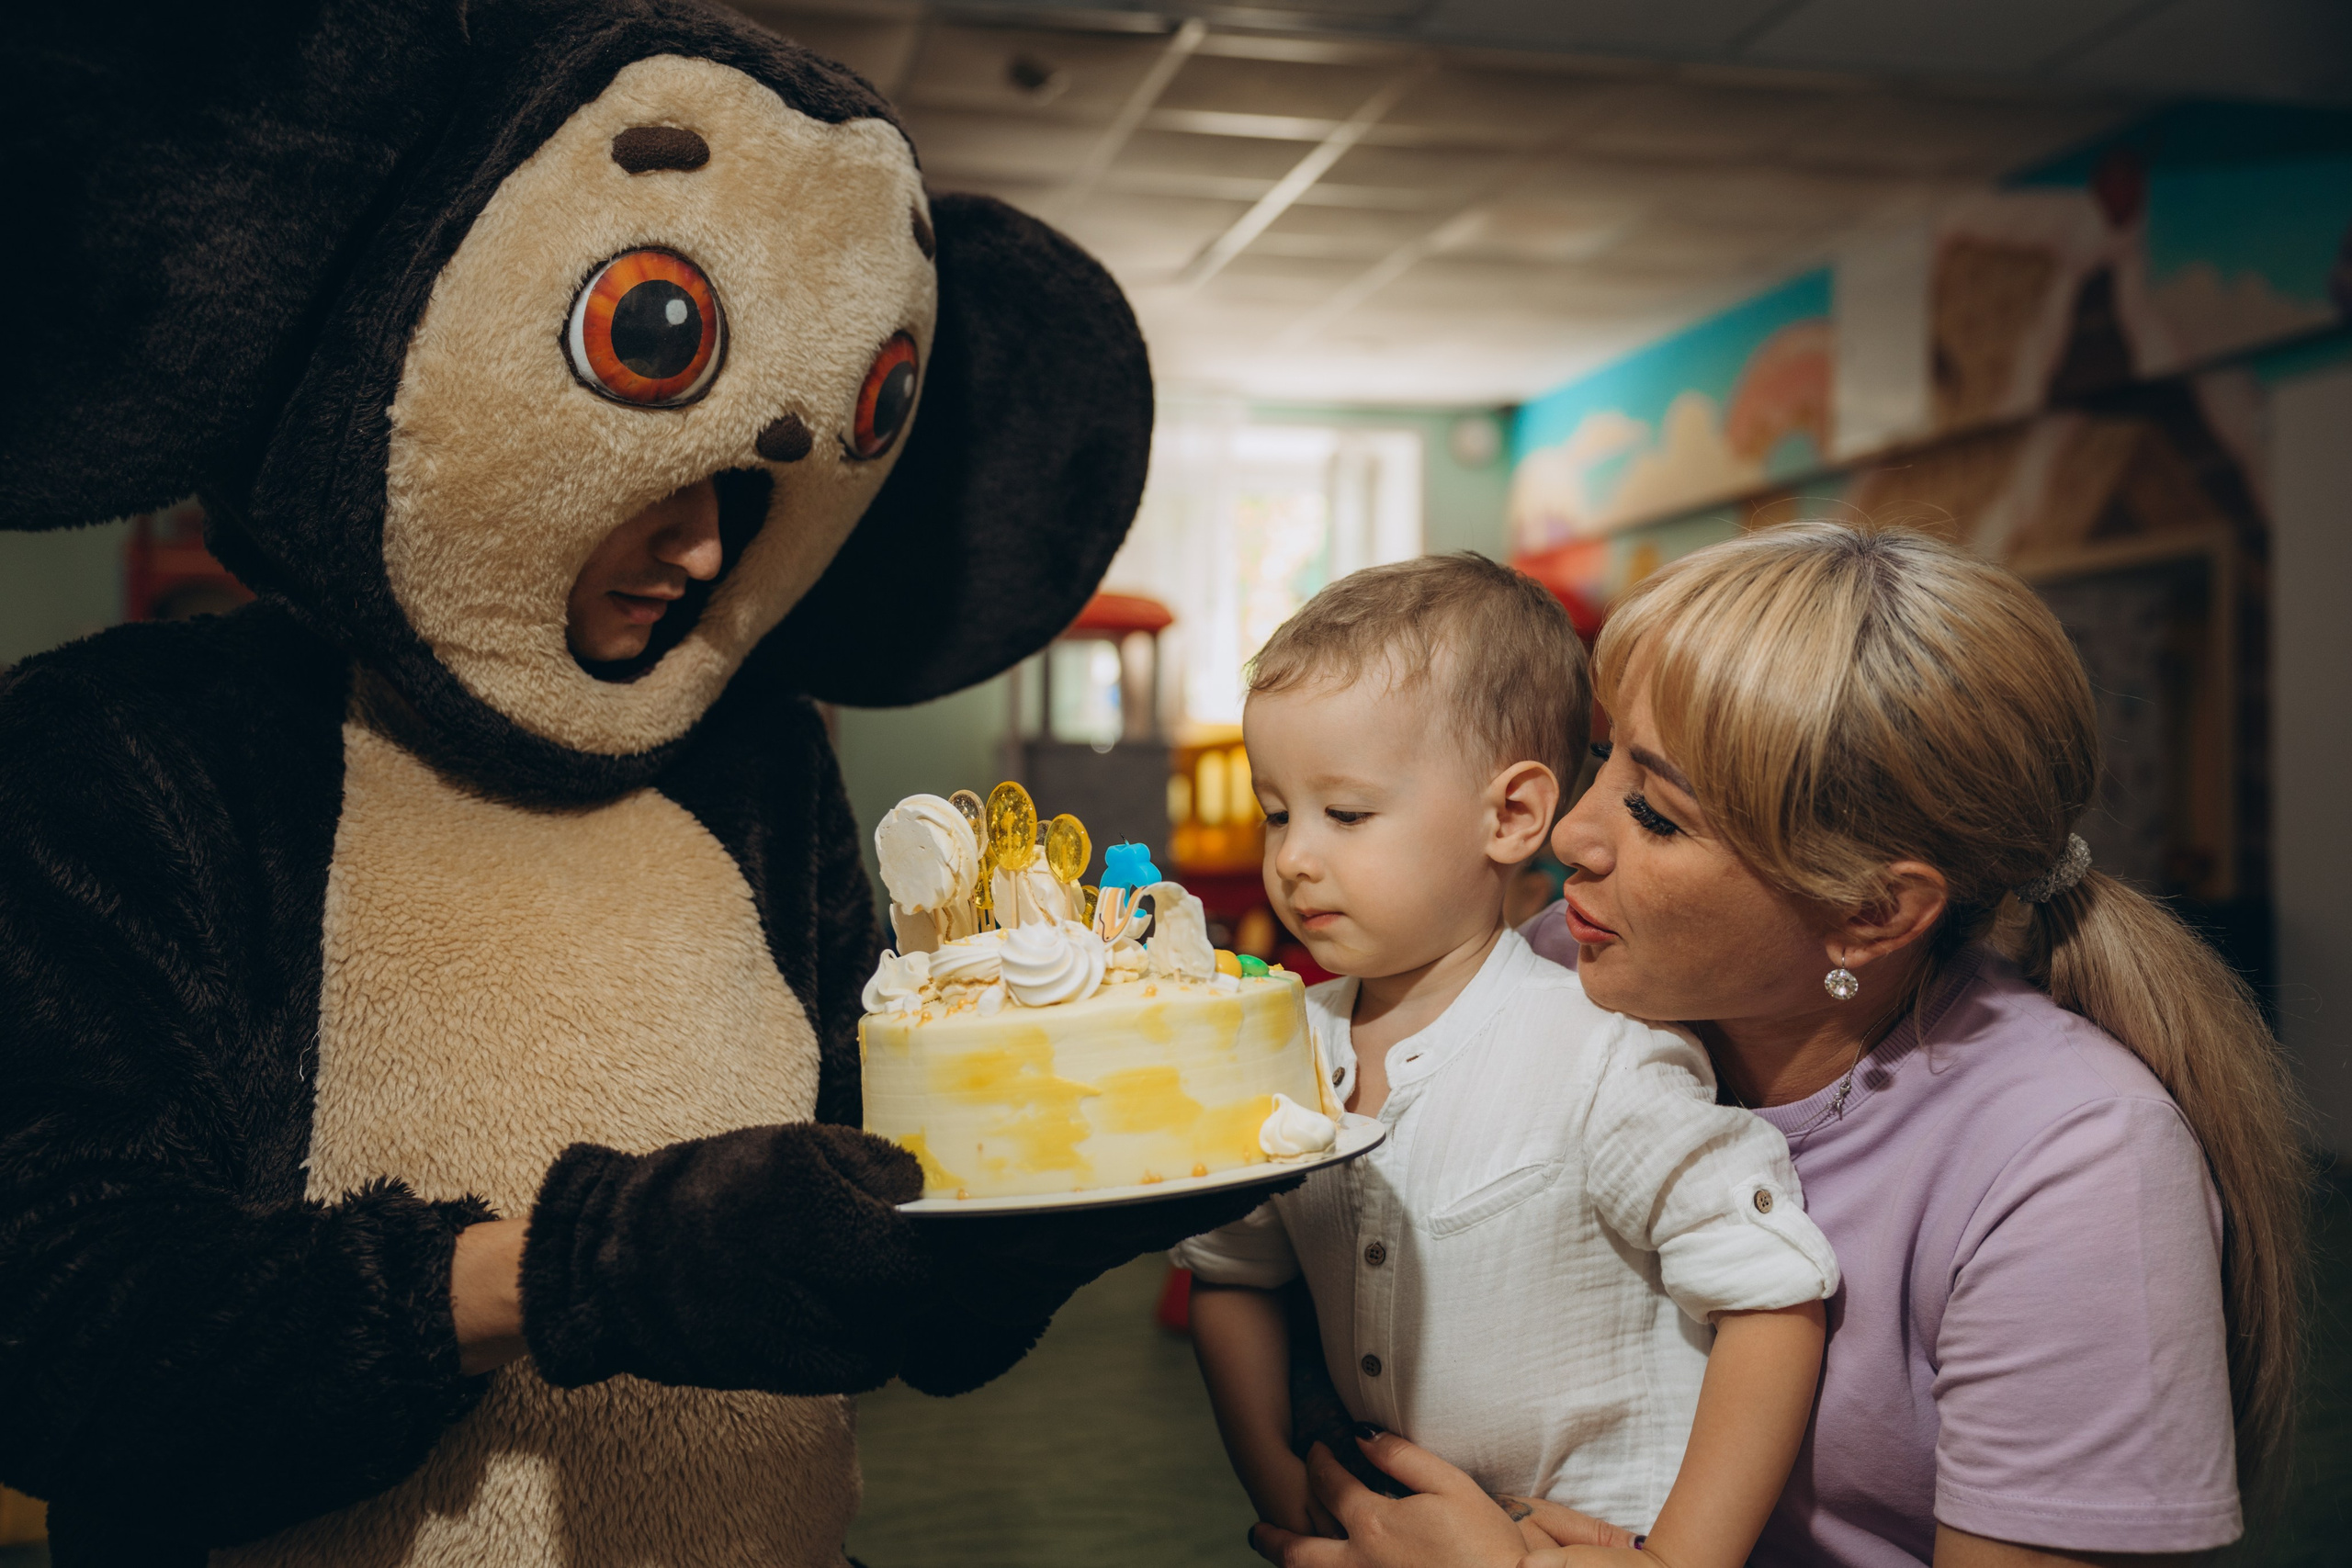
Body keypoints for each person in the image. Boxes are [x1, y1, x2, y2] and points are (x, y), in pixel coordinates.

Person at [0, 6, 1266, 1564]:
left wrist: (1029, 1215)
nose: (705, 551)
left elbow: (863, 1259)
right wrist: (573, 1274)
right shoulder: (131, 754)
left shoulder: (758, 763)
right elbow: (59, 1330)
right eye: (658, 445)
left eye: (759, 492)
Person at [1252, 523, 2305, 1568]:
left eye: (1657, 815)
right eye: (1599, 756)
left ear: (1869, 915)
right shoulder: (1547, 972)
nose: (1571, 833)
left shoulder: (2075, 1162)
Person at [1175, 555, 1841, 1568]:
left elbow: (1771, 1297)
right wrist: (1289, 1500)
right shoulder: (1274, 1043)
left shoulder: (1600, 1050)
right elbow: (1229, 1275)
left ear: (1512, 816)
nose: (1294, 857)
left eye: (1344, 814)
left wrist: (1679, 1561)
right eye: (1279, 812)